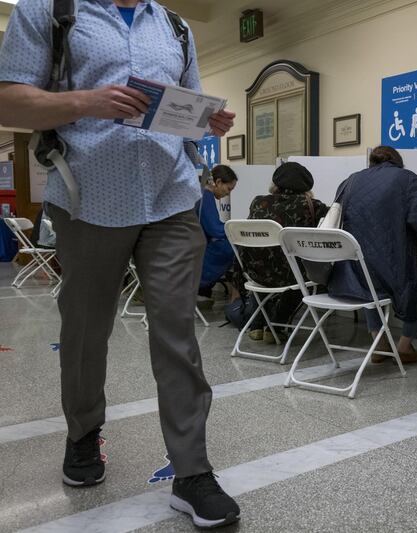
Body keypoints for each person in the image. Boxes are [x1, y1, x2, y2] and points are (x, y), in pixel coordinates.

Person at [0, 0, 240, 528]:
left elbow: (186, 110)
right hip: (89, 196)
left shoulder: (173, 25)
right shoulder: (50, 10)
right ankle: (83, 436)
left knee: (178, 332)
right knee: (87, 331)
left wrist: (206, 120)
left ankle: (192, 471)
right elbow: (9, 104)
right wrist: (84, 102)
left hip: (172, 196)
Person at [328, 146, 417, 363]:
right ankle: (404, 346)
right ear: (398, 163)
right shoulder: (406, 179)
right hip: (389, 276)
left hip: (351, 278)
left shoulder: (350, 181)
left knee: (369, 276)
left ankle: (379, 341)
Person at [241, 162, 328, 342]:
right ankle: (277, 326)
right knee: (300, 273)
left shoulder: (258, 202)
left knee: (266, 263)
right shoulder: (312, 206)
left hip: (255, 272)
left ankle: (257, 326)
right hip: (289, 274)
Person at [197, 165, 238, 304]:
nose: (229, 194)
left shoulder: (201, 192)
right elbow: (214, 228)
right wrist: (235, 230)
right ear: (219, 182)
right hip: (195, 250)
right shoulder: (206, 196)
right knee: (231, 249)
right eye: (229, 189)